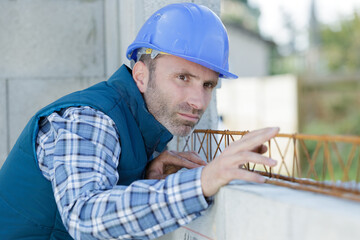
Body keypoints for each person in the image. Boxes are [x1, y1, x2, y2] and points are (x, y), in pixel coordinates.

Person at [0, 3, 278, 239]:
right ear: (141, 76)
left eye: (208, 85)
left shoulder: (136, 125)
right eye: (183, 78)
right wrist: (203, 181)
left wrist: (141, 177)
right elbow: (85, 217)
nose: (198, 101)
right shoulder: (89, 118)